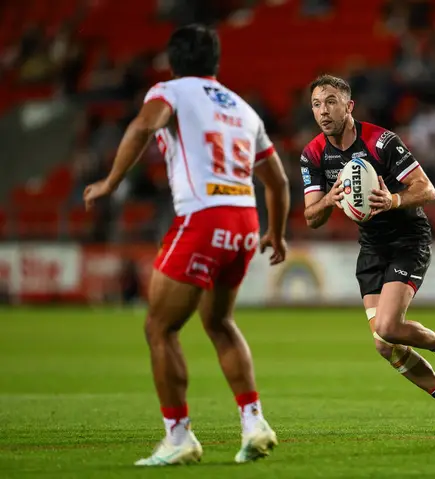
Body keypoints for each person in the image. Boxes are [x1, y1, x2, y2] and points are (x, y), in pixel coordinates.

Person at [84, 24, 289, 466]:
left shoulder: (170, 91)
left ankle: (178, 436)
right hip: (244, 221)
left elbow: (143, 127)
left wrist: (111, 182)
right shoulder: (243, 108)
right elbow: (277, 179)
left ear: (172, 62)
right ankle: (254, 422)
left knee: (159, 328)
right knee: (219, 322)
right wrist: (277, 230)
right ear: (215, 62)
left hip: (203, 216)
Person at [301, 74, 435, 432]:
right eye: (317, 104)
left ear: (349, 106)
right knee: (386, 345)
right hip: (372, 246)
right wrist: (328, 201)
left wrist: (395, 199)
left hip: (407, 239)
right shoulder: (313, 153)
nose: (324, 111)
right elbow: (311, 218)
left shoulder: (381, 142)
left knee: (387, 325)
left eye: (332, 101)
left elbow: (426, 189)